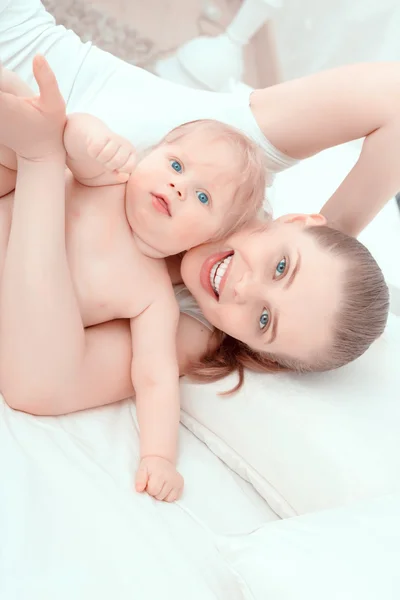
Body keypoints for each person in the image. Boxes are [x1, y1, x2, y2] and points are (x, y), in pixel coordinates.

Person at [0, 4, 394, 435]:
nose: (243, 287)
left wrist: (40, 159)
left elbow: (38, 385)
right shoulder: (237, 157)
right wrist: (336, 240)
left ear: (260, 350)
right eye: (281, 266)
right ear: (297, 222)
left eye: (264, 320)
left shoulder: (191, 321)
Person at [0, 56, 267, 502]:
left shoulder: (152, 299)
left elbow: (155, 378)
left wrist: (159, 456)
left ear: (209, 239)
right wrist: (96, 139)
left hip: (14, 311)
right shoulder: (111, 180)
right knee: (26, 109)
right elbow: (71, 136)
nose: (179, 187)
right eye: (176, 165)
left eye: (203, 196)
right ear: (150, 154)